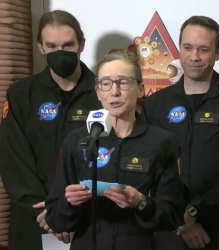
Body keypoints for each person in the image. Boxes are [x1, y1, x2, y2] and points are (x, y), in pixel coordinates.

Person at [140, 16, 219, 250]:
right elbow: (150, 166)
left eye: (204, 49)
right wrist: (183, 219)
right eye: (187, 47)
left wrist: (196, 210)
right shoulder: (155, 104)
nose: (194, 57)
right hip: (169, 230)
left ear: (218, 53)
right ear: (179, 49)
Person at [45, 48, 185, 250]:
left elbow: (173, 216)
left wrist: (141, 202)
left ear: (141, 89)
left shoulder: (161, 142)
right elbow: (55, 219)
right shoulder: (77, 141)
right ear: (98, 92)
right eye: (106, 83)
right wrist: (70, 203)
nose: (114, 91)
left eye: (124, 82)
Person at [0, 10, 101, 250]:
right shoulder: (21, 94)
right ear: (40, 48)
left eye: (67, 45)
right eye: (52, 46)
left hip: (88, 219)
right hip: (35, 217)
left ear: (81, 44)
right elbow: (13, 158)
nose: (60, 52)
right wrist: (48, 212)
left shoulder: (104, 94)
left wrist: (68, 212)